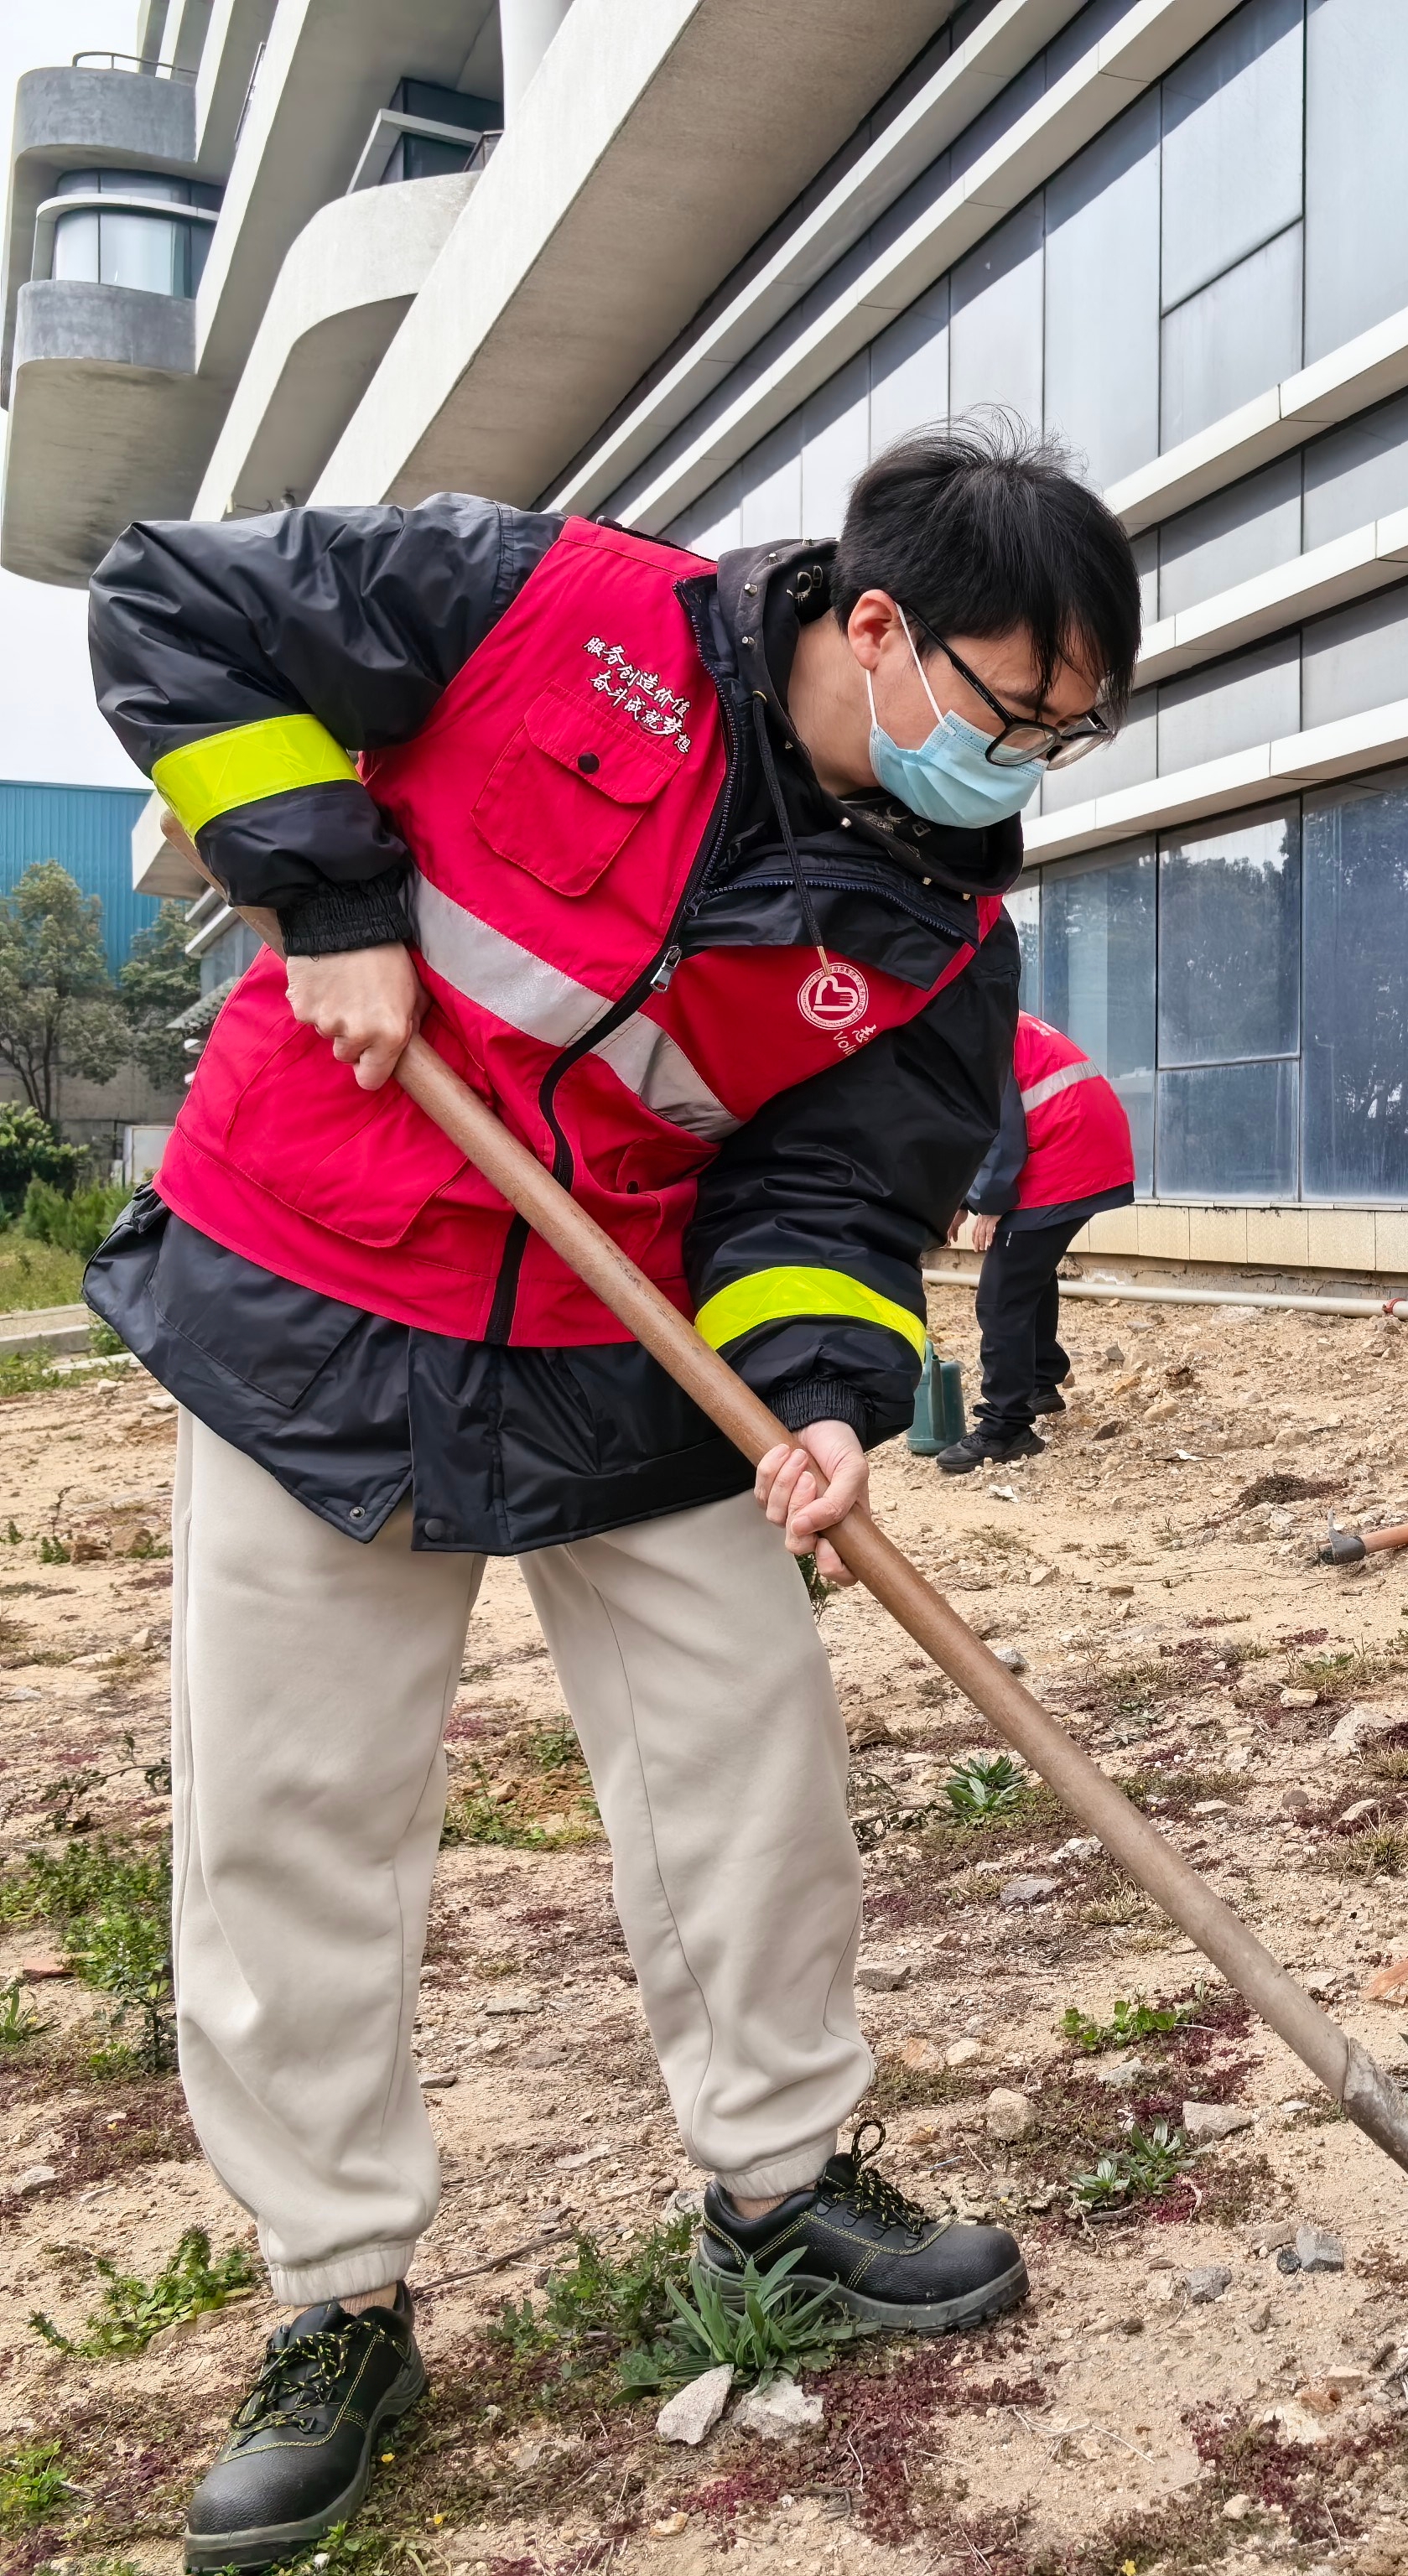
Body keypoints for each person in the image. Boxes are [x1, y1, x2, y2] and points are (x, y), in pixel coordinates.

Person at [83, 418, 1140, 2569]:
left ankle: (782, 2175)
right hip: (316, 1276)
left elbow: (837, 1190)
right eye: (1011, 709)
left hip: (620, 1331)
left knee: (750, 1739)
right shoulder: (544, 604)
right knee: (291, 1805)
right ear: (877, 625)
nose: (1022, 765)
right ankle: (335, 2293)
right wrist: (330, 883)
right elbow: (170, 601)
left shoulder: (939, 932)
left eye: (1069, 730)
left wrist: (827, 1393)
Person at [937, 1010, 1139, 1472]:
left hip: (1065, 1151)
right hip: (1082, 1143)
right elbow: (982, 1123)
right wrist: (963, 1200)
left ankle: (1006, 1428)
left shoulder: (971, 1027)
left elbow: (999, 1127)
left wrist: (988, 1202)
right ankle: (1039, 1380)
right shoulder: (993, 1013)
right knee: (1030, 1266)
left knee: (1001, 1296)